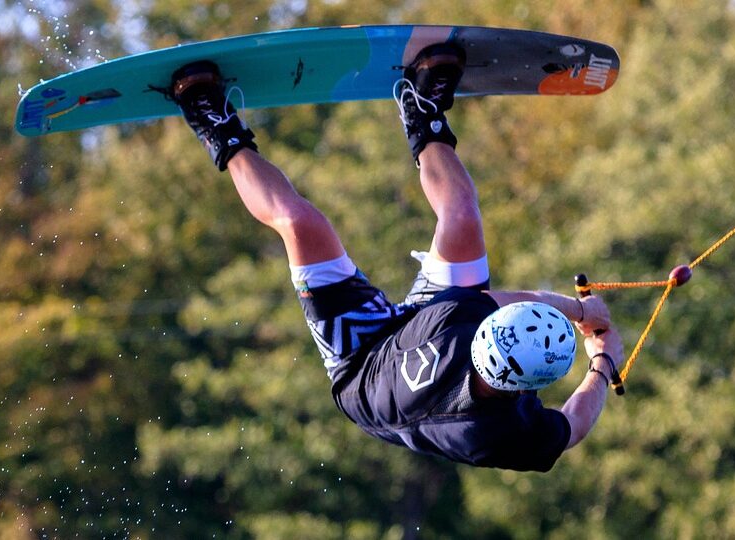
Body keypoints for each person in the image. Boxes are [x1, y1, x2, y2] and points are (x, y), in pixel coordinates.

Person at [166, 43, 623, 472]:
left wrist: (586, 321)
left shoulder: (502, 434)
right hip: (425, 332)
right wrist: (600, 355)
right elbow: (570, 417)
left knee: (301, 225)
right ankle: (424, 112)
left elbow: (571, 426)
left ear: (522, 390)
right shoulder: (474, 326)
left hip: (361, 365)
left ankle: (212, 122)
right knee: (461, 218)